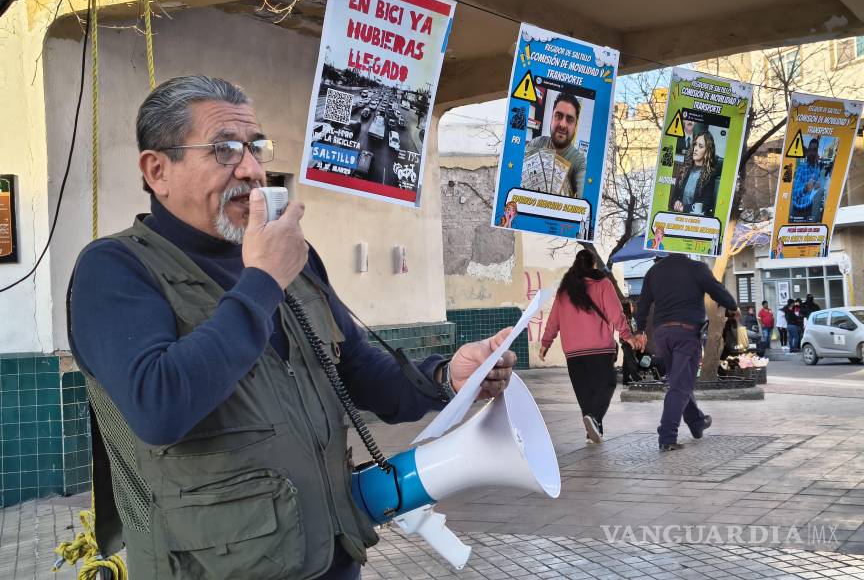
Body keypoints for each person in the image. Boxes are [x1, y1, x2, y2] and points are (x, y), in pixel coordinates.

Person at [67, 76, 517, 580]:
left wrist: (448, 379)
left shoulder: (291, 260)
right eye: (224, 150)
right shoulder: (115, 270)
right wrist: (261, 281)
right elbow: (159, 406)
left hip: (329, 556)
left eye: (257, 148)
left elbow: (359, 370)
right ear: (157, 170)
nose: (253, 170)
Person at [633, 253, 737, 451]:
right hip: (686, 333)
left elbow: (643, 304)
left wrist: (639, 330)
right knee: (680, 385)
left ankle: (696, 422)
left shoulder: (653, 272)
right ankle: (667, 435)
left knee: (679, 378)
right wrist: (733, 306)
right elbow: (717, 291)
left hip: (662, 334)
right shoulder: (697, 268)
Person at [539, 250, 635, 444]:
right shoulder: (603, 284)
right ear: (593, 265)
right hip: (599, 348)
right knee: (607, 384)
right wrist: (627, 335)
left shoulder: (564, 291)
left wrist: (545, 344)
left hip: (573, 352)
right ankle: (595, 421)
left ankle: (592, 432)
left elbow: (554, 320)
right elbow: (616, 314)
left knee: (585, 391)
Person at [521, 91, 586, 198]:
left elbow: (584, 201)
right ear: (551, 118)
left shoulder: (579, 162)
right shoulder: (537, 143)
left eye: (569, 119)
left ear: (575, 125)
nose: (562, 124)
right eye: (558, 116)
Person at [669, 130, 719, 216]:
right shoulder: (684, 170)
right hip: (677, 216)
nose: (695, 149)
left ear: (707, 151)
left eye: (700, 146)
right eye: (695, 144)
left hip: (695, 221)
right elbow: (674, 196)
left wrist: (684, 208)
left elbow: (705, 205)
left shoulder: (710, 175)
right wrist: (676, 202)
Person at [790, 138, 825, 223]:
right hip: (797, 211)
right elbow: (794, 193)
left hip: (809, 208)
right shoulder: (801, 168)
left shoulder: (818, 168)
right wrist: (805, 188)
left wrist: (817, 186)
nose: (812, 152)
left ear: (817, 152)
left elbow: (818, 188)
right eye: (810, 149)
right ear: (807, 151)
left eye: (814, 150)